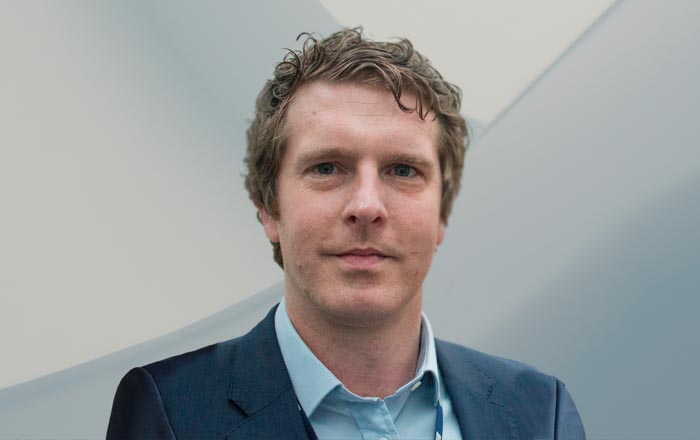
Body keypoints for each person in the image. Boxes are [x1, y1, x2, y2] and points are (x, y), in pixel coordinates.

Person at [107, 28, 585, 439]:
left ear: (441, 213)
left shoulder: (541, 412)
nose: (366, 206)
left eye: (403, 170)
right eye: (327, 167)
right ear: (269, 208)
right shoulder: (169, 411)